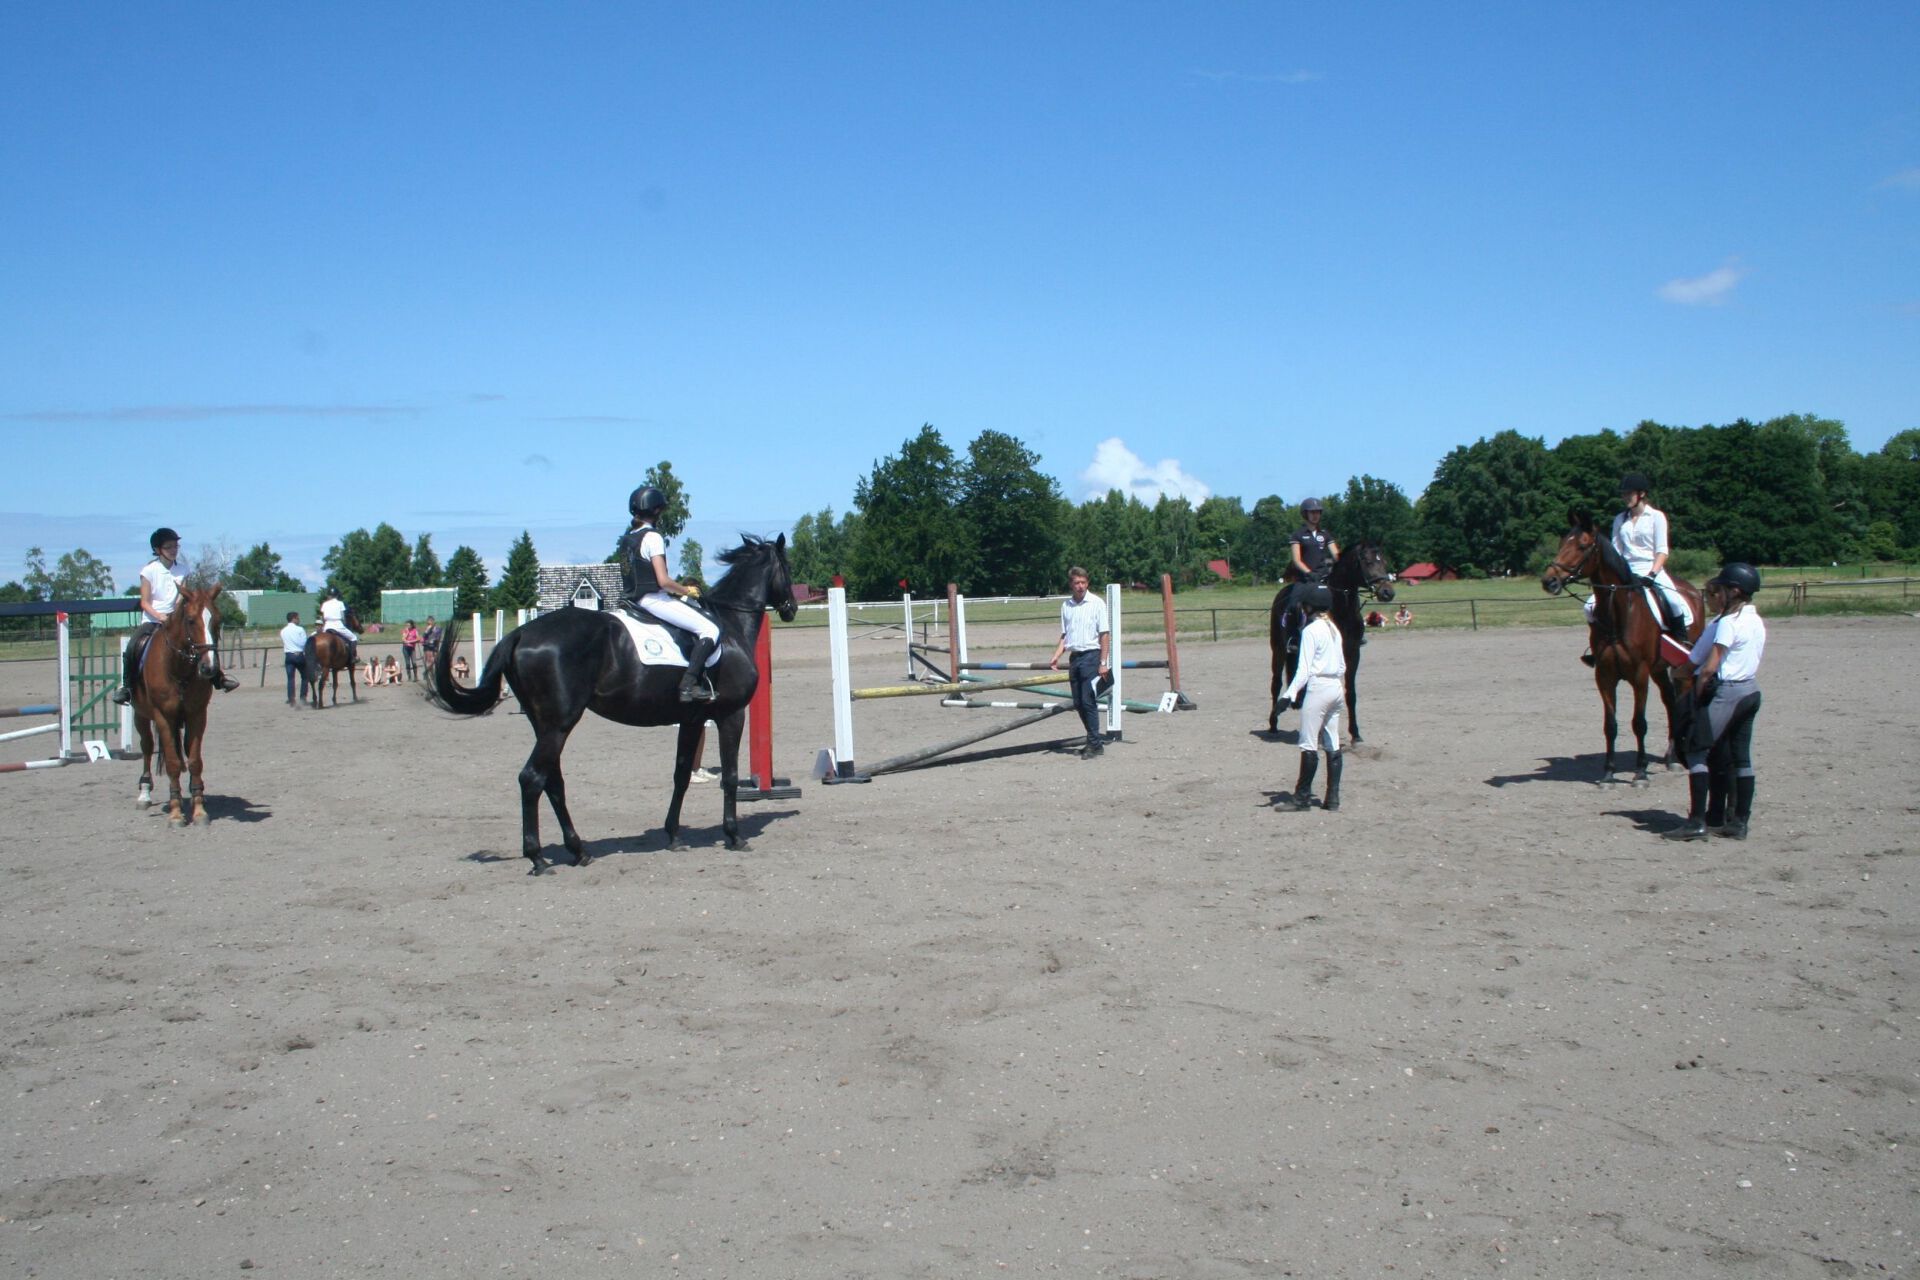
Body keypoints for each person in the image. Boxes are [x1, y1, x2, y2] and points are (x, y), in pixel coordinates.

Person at [1664, 563, 1765, 842]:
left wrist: (1696, 695)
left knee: (1696, 749)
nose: (1716, 595)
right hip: (1750, 691)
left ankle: (1697, 822)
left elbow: (1709, 667)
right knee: (1741, 757)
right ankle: (1739, 823)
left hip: (1727, 692)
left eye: (1720, 590)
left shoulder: (1728, 623)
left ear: (1735, 591)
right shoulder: (1755, 620)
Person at [113, 527, 240, 703]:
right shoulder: (149, 571)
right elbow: (145, 603)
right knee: (133, 646)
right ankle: (126, 687)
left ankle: (218, 677)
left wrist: (176, 615)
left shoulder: (183, 569)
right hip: (153, 619)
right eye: (169, 547)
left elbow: (182, 598)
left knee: (205, 640)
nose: (174, 550)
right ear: (158, 550)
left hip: (177, 618)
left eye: (175, 546)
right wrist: (160, 616)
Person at [619, 484, 720, 702]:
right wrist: (687, 590)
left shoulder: (627, 539)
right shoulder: (652, 537)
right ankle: (688, 685)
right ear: (656, 510)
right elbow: (663, 581)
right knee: (710, 629)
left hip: (631, 601)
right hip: (653, 600)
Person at [1582, 472, 1692, 666]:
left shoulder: (1656, 517)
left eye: (1629, 493)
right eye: (1623, 494)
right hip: (1625, 571)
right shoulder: (1620, 519)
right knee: (1589, 606)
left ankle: (1681, 641)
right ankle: (1598, 646)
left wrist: (1652, 574)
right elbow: (1616, 552)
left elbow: (1662, 551)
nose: (1625, 497)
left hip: (1651, 568)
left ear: (1641, 494)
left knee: (1675, 602)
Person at [1273, 583, 1347, 811]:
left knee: (1308, 744)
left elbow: (1303, 670)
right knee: (1332, 742)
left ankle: (1302, 798)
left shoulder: (1310, 631)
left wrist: (1287, 696)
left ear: (1309, 606)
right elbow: (1342, 666)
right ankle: (1332, 798)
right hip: (1336, 687)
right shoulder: (1334, 629)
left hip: (1319, 690)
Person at [1048, 566, 1111, 758]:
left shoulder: (1097, 603)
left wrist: (1103, 662)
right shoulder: (1066, 606)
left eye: (1083, 582)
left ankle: (1094, 744)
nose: (1080, 586)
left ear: (1087, 583)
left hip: (1091, 655)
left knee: (1087, 700)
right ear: (1071, 584)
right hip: (1075, 657)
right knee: (1078, 702)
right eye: (1077, 583)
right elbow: (1065, 635)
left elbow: (1104, 635)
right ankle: (1093, 741)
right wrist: (1057, 655)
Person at [1276, 498, 1340, 653]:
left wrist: (1341, 565)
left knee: (1344, 599)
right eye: (1312, 512)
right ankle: (1293, 638)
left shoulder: (1325, 534)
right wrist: (1309, 573)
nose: (1315, 515)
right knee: (1293, 604)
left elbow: (1336, 555)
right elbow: (1296, 560)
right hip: (1305, 578)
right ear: (1306, 514)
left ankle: (1354, 633)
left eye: (1317, 512)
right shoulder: (1298, 535)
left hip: (1324, 576)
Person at [319, 585, 359, 667]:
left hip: (327, 626)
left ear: (329, 595)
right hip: (338, 625)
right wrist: (344, 624)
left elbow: (323, 617)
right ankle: (352, 657)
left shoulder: (324, 604)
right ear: (337, 595)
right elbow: (343, 617)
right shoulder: (340, 603)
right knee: (354, 638)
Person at [279, 611, 312, 706]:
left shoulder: (283, 631)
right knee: (305, 676)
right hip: (299, 655)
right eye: (297, 618)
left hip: (288, 655)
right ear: (293, 618)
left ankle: (291, 699)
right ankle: (303, 697)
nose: (299, 620)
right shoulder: (300, 629)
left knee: (290, 678)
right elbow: (304, 643)